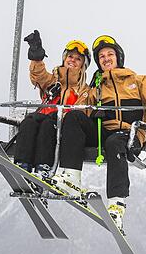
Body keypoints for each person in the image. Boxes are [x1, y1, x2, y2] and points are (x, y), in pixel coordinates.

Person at [50, 35, 146, 234]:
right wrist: (90, 108)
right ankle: (71, 178)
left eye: (110, 54)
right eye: (102, 56)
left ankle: (116, 205)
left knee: (115, 142)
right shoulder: (96, 87)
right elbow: (80, 107)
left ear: (118, 57)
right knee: (73, 118)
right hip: (102, 132)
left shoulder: (139, 81)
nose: (106, 58)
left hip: (129, 133)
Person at [14, 30, 91, 179]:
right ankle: (22, 163)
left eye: (78, 59)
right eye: (70, 56)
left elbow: (82, 112)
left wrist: (63, 116)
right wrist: (36, 57)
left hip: (61, 128)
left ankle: (44, 166)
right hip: (41, 120)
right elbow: (38, 76)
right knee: (29, 121)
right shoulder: (52, 82)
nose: (72, 60)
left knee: (48, 124)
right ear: (64, 58)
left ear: (83, 65)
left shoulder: (84, 90)